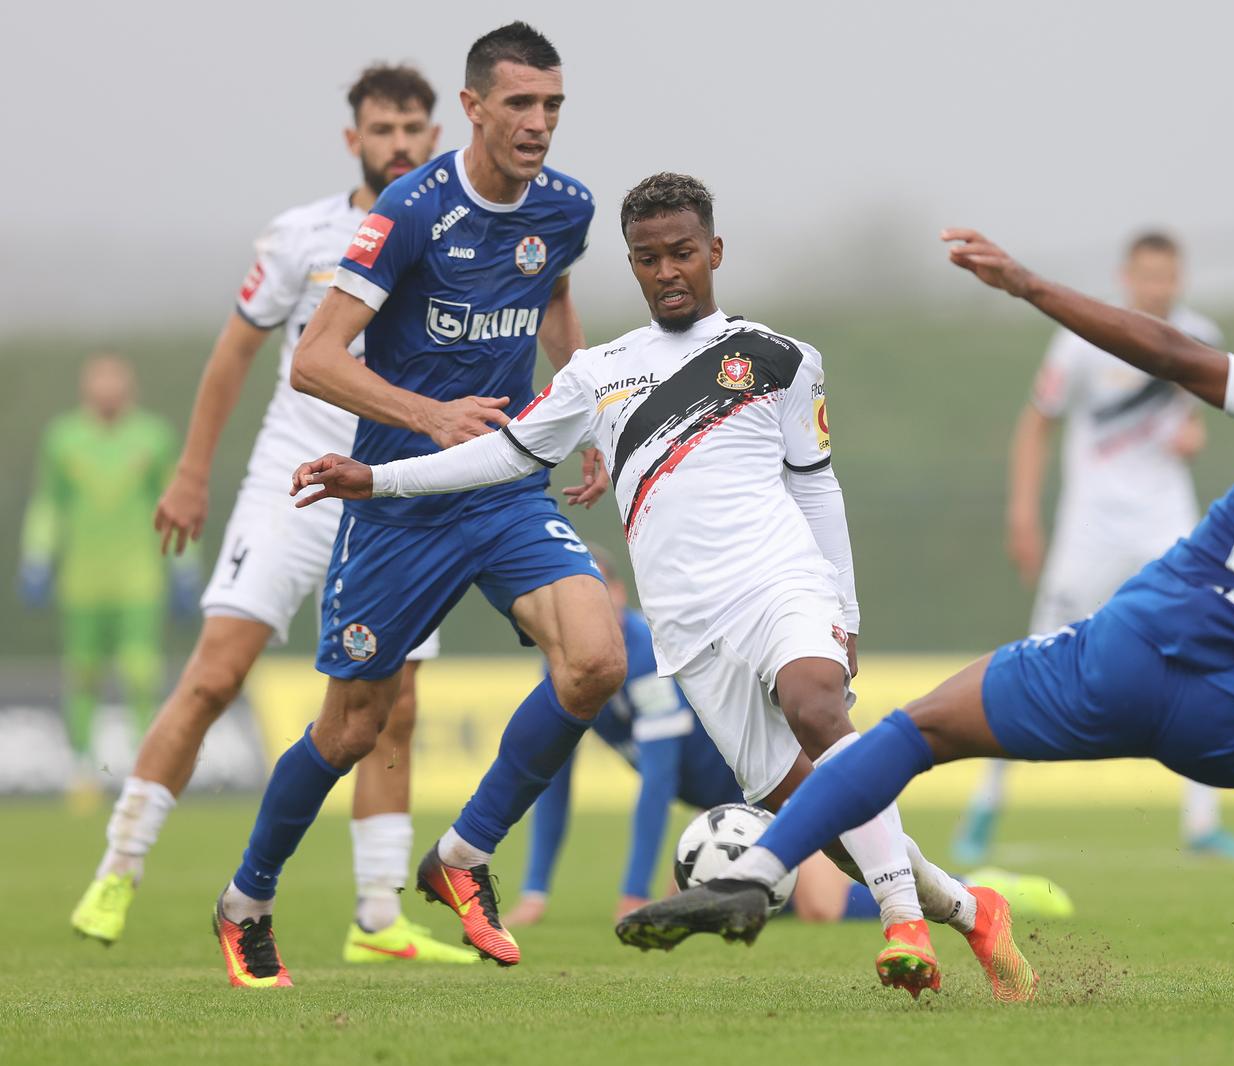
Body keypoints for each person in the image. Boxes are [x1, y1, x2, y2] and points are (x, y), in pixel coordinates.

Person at [615, 228, 1234, 1015]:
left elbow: (1171, 352)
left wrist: (1033, 287)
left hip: (1120, 660)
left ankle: (760, 868)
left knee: (915, 730)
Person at [288, 172, 1037, 1002]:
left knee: (819, 706)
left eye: (683, 252)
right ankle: (970, 909)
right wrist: (380, 478)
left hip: (781, 584)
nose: (668, 271)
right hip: (691, 632)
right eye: (649, 258)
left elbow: (818, 486)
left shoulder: (780, 359)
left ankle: (901, 923)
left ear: (714, 251)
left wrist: (845, 609)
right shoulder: (597, 373)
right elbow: (505, 454)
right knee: (816, 815)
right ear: (634, 265)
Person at [209, 23, 627, 989]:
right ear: (473, 109)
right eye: (519, 104)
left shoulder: (567, 208)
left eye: (552, 105)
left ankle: (462, 856)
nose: (538, 124)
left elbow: (554, 301)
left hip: (508, 489)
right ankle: (247, 901)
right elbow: (315, 358)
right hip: (399, 505)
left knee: (597, 657)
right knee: (352, 731)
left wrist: (590, 417)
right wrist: (430, 416)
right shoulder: (409, 209)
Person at [68, 65, 475, 965]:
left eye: (414, 128)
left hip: (390, 494)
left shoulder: (457, 236)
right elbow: (233, 356)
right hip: (290, 487)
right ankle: (119, 865)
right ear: (353, 139)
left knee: (394, 705)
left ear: (436, 134)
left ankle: (377, 920)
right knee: (215, 675)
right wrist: (190, 474)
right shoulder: (302, 236)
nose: (399, 143)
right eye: (383, 128)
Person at [953, 231, 1234, 866]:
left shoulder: (1200, 332)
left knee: (1206, 646)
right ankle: (985, 805)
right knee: (1038, 655)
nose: (1157, 287)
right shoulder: (1080, 338)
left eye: (1167, 276)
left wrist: (1194, 438)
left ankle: (1203, 821)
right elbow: (1037, 421)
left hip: (1166, 519)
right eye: (1146, 276)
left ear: (1180, 278)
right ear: (1127, 276)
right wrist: (1021, 510)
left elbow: (1196, 414)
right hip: (1091, 525)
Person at [504, 548, 881, 927]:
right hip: (725, 805)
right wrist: (535, 892)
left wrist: (634, 892)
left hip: (784, 782)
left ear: (619, 593)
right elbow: (555, 778)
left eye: (598, 594)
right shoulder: (563, 667)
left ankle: (926, 890)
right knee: (693, 911)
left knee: (822, 908)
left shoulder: (644, 657)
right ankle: (769, 885)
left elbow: (658, 781)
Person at [21, 355, 188, 801]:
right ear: (86, 389)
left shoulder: (153, 437)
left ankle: (143, 768)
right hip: (82, 579)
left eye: (115, 385)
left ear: (129, 388)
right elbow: (49, 503)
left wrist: (184, 566)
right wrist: (37, 556)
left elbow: (177, 502)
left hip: (138, 578)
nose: (108, 393)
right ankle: (82, 769)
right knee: (83, 673)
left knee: (140, 671)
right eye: (100, 385)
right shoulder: (64, 438)